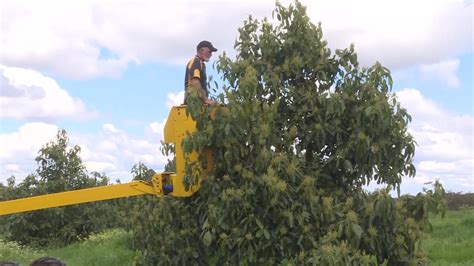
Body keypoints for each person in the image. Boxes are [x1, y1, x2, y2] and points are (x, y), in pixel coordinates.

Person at [184, 40, 217, 105]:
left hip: (197, 101)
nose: (211, 55)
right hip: (194, 102)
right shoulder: (196, 61)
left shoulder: (200, 63)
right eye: (210, 52)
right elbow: (195, 81)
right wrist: (205, 99)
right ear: (202, 50)